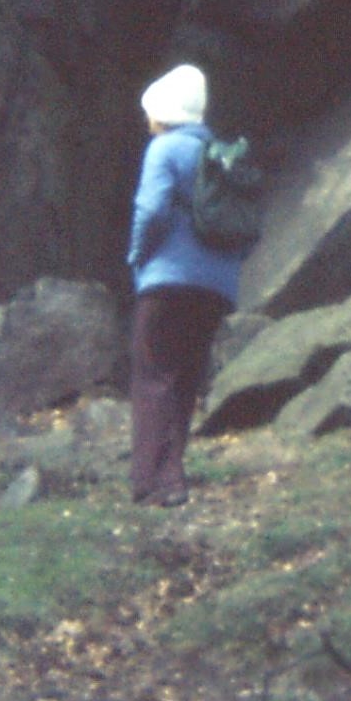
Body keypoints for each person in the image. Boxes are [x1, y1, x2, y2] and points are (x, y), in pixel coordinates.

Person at [127, 65, 244, 507]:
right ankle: (173, 477)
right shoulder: (223, 153)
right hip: (215, 289)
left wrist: (138, 256)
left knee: (153, 373)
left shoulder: (164, 149)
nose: (147, 122)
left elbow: (152, 210)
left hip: (167, 282)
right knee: (186, 378)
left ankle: (147, 480)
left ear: (163, 113)